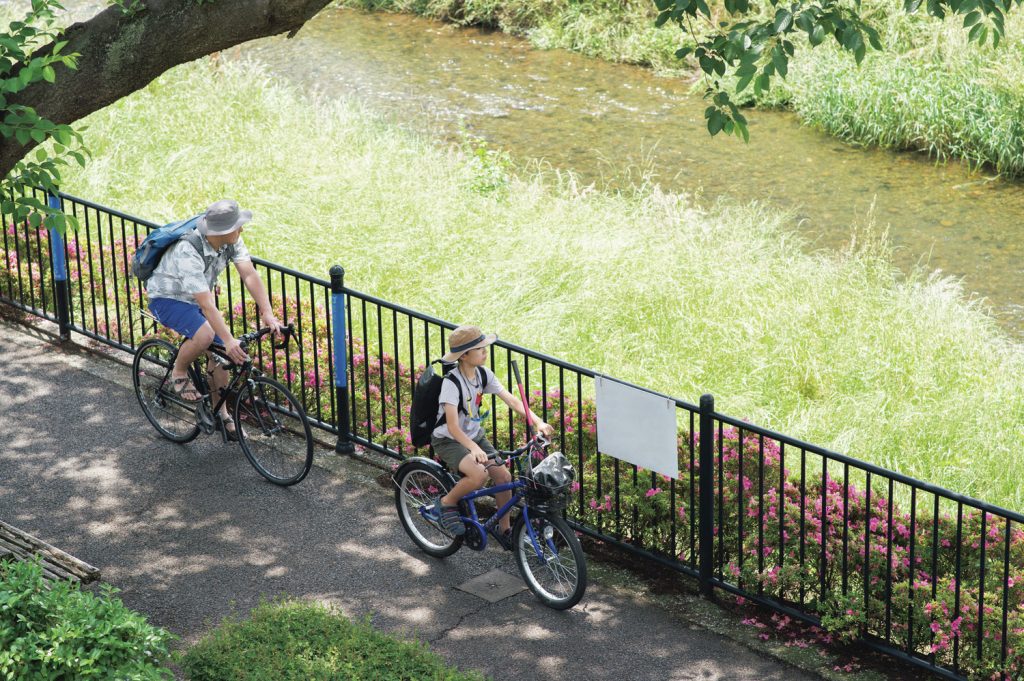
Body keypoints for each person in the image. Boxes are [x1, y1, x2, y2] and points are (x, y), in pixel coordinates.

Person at [145, 199, 282, 439]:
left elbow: (249, 274)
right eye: (238, 226)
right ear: (224, 231)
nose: (242, 229)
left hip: (197, 298)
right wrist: (229, 340)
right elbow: (207, 305)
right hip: (167, 298)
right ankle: (179, 371)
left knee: (221, 356)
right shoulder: (188, 250)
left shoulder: (231, 241)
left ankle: (223, 415)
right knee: (208, 335)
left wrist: (267, 312)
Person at [427, 325, 554, 545]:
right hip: (448, 439)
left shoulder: (483, 374)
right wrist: (474, 449)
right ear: (464, 355)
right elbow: (453, 426)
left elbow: (513, 400)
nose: (485, 352)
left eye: (485, 347)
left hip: (474, 435)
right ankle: (446, 503)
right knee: (478, 475)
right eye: (480, 349)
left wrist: (538, 421)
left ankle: (505, 531)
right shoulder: (451, 383)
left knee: (504, 477)